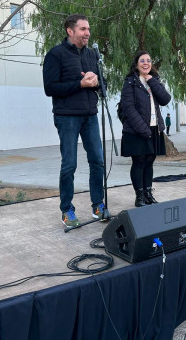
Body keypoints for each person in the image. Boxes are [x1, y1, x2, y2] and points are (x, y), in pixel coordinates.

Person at [42, 14, 108, 228]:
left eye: (88, 29)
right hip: (67, 117)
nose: (87, 33)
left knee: (97, 160)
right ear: (70, 31)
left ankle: (98, 205)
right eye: (83, 29)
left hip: (90, 115)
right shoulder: (55, 54)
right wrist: (79, 84)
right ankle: (67, 209)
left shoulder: (91, 55)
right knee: (69, 164)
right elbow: (50, 88)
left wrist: (98, 81)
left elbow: (102, 85)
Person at [120, 50, 171, 207]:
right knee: (139, 161)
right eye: (142, 60)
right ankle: (139, 196)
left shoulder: (154, 80)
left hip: (154, 128)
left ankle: (148, 194)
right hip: (136, 130)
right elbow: (128, 108)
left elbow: (165, 99)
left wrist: (152, 82)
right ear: (136, 64)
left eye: (148, 60)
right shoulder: (130, 82)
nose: (146, 63)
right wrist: (143, 129)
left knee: (150, 161)